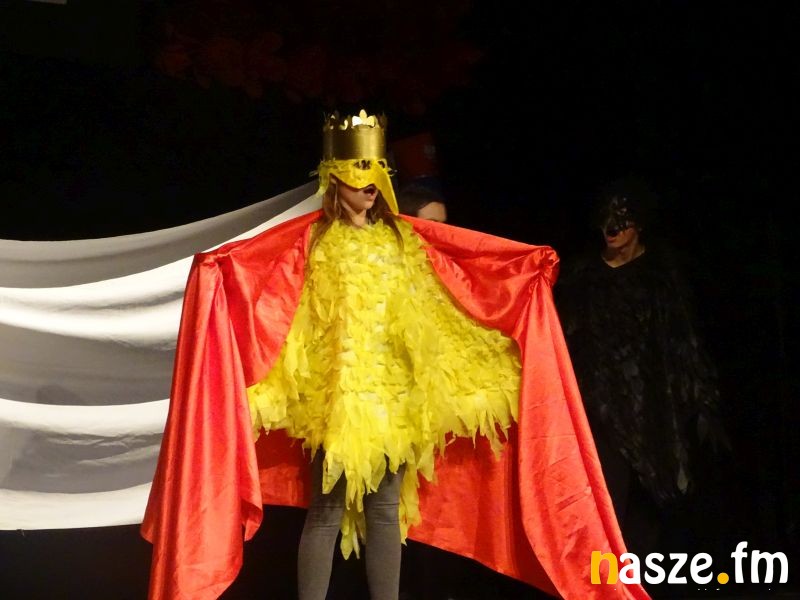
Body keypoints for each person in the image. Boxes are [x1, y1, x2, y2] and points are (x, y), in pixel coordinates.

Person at [141, 111, 650, 600]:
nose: (368, 184)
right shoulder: (314, 241)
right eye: (357, 171)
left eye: (376, 170)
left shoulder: (402, 240)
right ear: (335, 178)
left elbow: (448, 286)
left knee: (386, 510)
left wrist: (522, 268)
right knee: (326, 510)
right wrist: (218, 271)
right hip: (337, 400)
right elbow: (275, 291)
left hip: (395, 398)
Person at [554, 177, 729, 561]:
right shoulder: (583, 278)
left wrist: (700, 400)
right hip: (600, 409)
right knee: (606, 503)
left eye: (622, 217)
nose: (612, 227)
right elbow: (563, 337)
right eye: (606, 217)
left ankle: (637, 581)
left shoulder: (660, 276)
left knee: (651, 507)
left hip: (651, 408)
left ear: (640, 223)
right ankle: (605, 583)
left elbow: (682, 339)